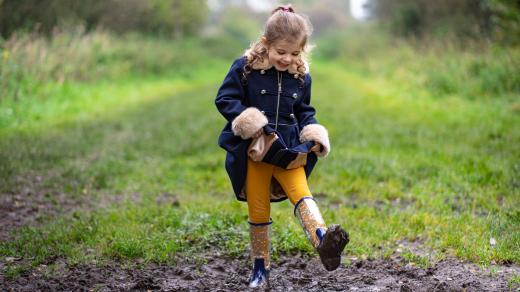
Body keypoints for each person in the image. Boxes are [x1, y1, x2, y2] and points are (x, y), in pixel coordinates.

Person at [215, 5, 349, 288]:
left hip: (289, 150)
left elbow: (304, 111)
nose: (287, 59)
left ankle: (324, 241)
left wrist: (313, 133)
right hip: (257, 149)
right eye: (281, 52)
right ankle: (259, 268)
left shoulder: (301, 76)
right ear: (266, 44)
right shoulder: (245, 69)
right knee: (258, 206)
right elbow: (225, 99)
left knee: (301, 193)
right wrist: (249, 121)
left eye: (295, 53)